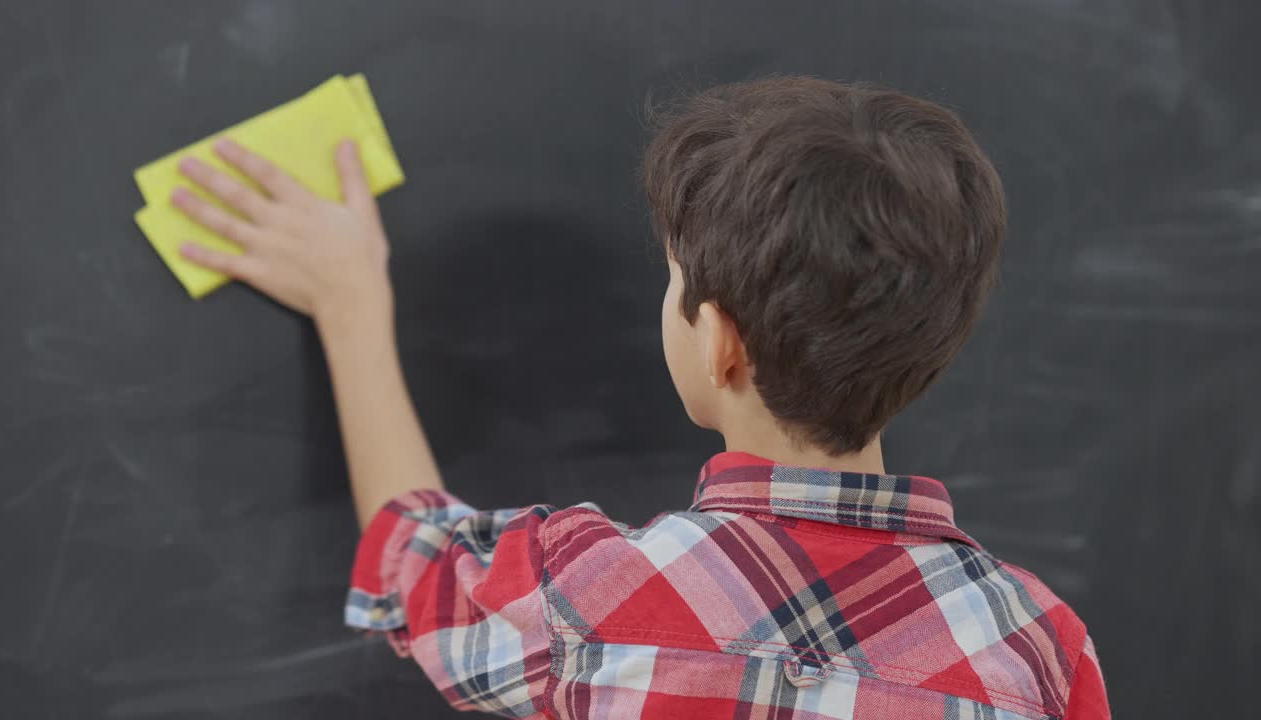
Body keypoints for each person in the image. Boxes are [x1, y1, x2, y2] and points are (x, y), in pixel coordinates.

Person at [170, 76, 1110, 719]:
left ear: (721, 343)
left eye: (673, 279)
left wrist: (350, 305)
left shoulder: (591, 598)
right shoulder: (1039, 651)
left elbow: (413, 551)